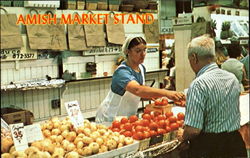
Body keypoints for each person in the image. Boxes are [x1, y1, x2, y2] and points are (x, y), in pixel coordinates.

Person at [177, 34, 247, 158]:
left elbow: (193, 130)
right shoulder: (232, 79)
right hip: (235, 144)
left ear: (194, 58)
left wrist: (183, 135)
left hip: (211, 148)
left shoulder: (198, 85)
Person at [95, 37, 185, 123]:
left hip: (128, 117)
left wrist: (157, 97)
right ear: (127, 52)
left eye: (144, 50)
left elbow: (135, 94)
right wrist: (166, 93)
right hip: (110, 116)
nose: (142, 54)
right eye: (138, 51)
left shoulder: (141, 68)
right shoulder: (122, 72)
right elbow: (137, 90)